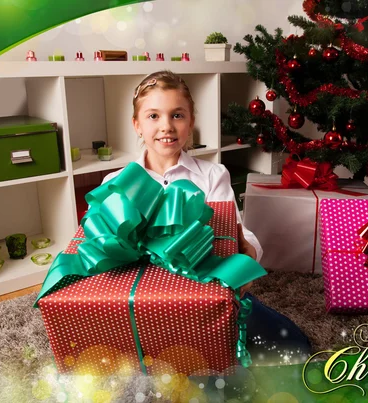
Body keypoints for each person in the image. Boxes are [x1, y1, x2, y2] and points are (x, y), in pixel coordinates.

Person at [101, 70, 312, 362]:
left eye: (177, 115)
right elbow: (100, 248)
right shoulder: (114, 182)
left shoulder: (212, 175)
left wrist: (247, 254)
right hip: (143, 301)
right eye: (153, 116)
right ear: (136, 125)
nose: (166, 126)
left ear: (191, 122)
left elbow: (233, 232)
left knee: (292, 349)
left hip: (205, 293)